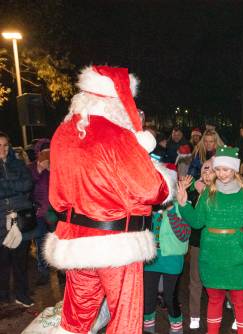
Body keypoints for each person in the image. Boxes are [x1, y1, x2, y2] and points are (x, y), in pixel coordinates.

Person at [43, 65, 169, 333]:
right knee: (125, 318)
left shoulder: (61, 134)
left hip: (75, 242)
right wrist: (162, 178)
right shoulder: (118, 135)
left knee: (76, 319)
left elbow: (56, 197)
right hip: (117, 246)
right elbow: (150, 190)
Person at [177, 146, 243, 334]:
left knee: (241, 301)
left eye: (226, 169)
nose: (221, 173)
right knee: (214, 299)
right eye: (218, 169)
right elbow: (196, 222)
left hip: (236, 257)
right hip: (211, 257)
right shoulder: (208, 193)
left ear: (234, 169)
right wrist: (183, 204)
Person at [143, 164, 190, 334]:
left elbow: (184, 234)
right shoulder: (148, 207)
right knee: (148, 296)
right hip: (151, 258)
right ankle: (148, 327)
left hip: (172, 259)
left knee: (170, 297)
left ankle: (176, 327)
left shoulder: (182, 204)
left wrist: (170, 210)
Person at [0, 132, 34, 307]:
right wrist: (15, 187)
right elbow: (20, 187)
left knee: (20, 260)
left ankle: (22, 294)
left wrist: (5, 184)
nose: (3, 149)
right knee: (3, 261)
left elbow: (28, 184)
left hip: (20, 219)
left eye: (5, 145)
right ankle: (3, 295)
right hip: (0, 221)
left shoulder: (18, 164)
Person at [186, 158, 215, 330]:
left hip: (215, 242)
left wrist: (205, 192)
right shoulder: (194, 190)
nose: (206, 173)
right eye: (204, 170)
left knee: (218, 279)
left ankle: (232, 308)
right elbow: (190, 215)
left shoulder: (222, 191)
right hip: (197, 242)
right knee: (195, 281)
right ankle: (195, 315)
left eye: (210, 170)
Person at [29, 138, 51, 286]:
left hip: (55, 212)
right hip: (38, 212)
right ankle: (44, 272)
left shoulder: (57, 166)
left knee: (59, 241)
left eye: (49, 152)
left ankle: (63, 271)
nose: (47, 155)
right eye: (43, 152)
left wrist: (53, 171)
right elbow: (28, 186)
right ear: (38, 153)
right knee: (41, 243)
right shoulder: (30, 168)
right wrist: (39, 170)